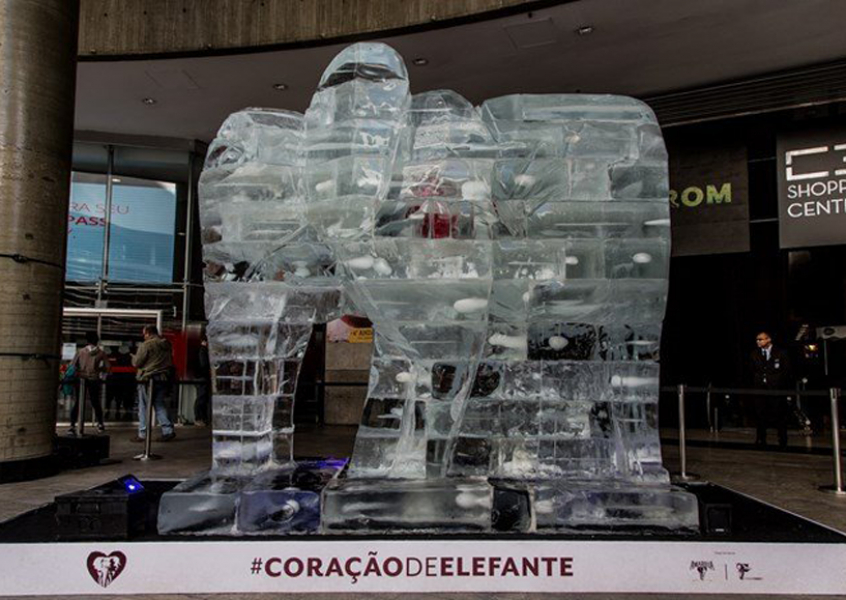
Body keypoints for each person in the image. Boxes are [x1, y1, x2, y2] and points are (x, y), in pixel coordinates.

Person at [131, 325, 175, 442]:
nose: (144, 336)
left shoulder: (146, 345)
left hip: (147, 379)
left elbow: (137, 363)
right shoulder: (167, 345)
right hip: (163, 378)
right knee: (159, 404)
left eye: (144, 334)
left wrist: (133, 357)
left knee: (144, 406)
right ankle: (168, 430)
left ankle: (143, 433)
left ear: (148, 333)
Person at [749, 331, 793, 447]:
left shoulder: (781, 353)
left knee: (779, 415)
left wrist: (779, 383)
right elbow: (752, 371)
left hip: (776, 389)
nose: (758, 341)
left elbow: (786, 371)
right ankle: (760, 438)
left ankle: (782, 440)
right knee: (760, 415)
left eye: (761, 339)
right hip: (760, 390)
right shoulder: (754, 354)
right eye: (757, 339)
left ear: (768, 339)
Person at [67, 332, 110, 435]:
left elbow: (72, 365)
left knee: (78, 402)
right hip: (94, 379)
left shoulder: (80, 351)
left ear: (87, 340)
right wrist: (98, 369)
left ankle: (72, 425)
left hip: (81, 379)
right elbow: (107, 367)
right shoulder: (101, 353)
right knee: (95, 402)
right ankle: (100, 424)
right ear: (97, 341)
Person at [194, 334, 211, 426]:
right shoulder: (203, 350)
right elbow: (204, 365)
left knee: (202, 397)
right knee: (201, 398)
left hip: (199, 376)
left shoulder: (200, 350)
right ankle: (199, 418)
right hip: (202, 377)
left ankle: (201, 418)